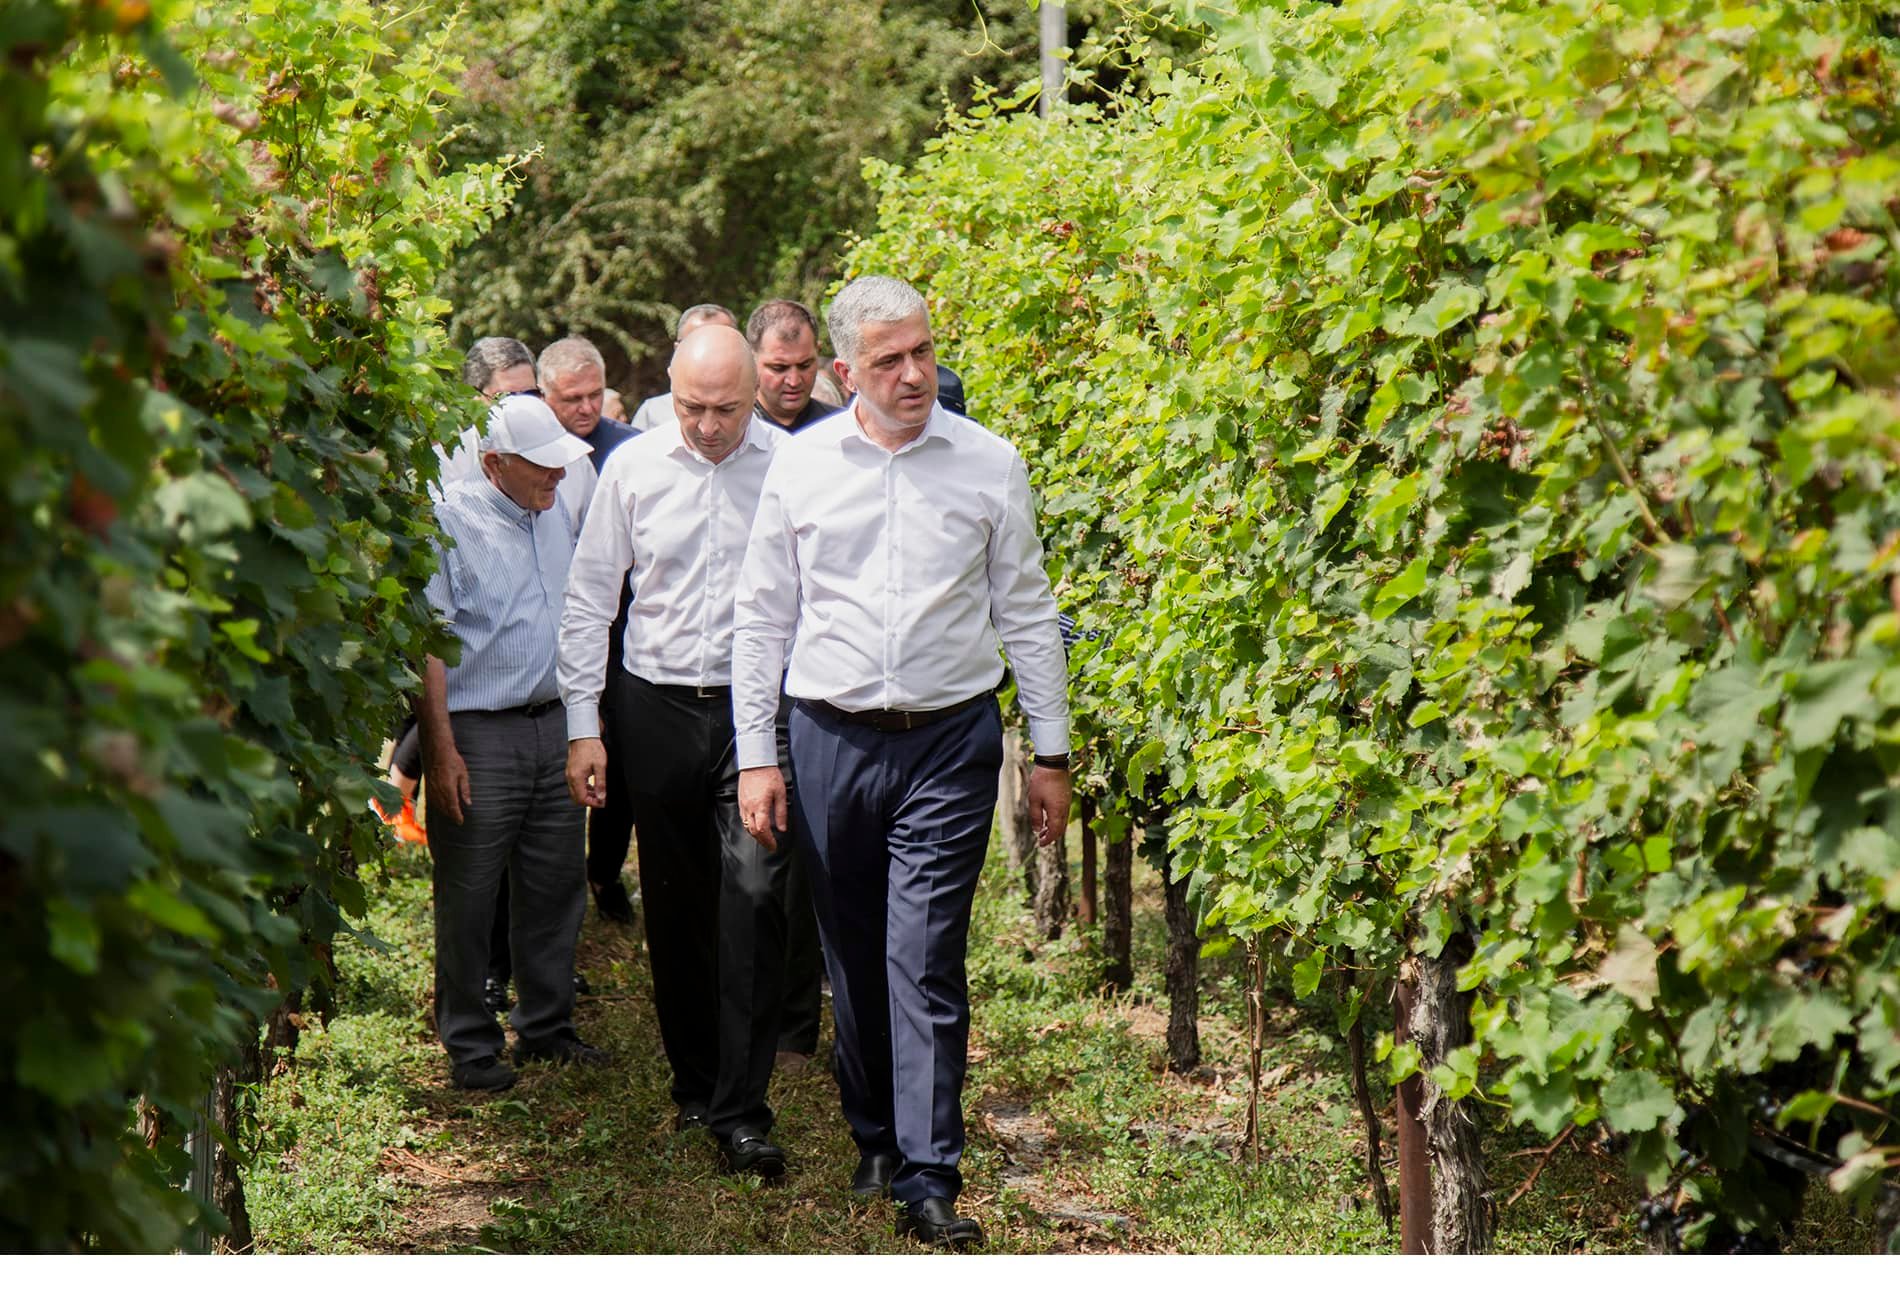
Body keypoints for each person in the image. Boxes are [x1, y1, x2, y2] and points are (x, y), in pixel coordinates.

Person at [731, 276, 1071, 1246]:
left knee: (922, 955)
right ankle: (875, 1137)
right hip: (829, 737)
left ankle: (929, 1173)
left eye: (922, 351)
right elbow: (762, 615)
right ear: (846, 372)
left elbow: (1027, 610)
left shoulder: (989, 464)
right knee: (853, 951)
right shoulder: (801, 468)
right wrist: (757, 756)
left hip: (948, 743)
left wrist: (1050, 751)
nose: (914, 373)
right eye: (889, 360)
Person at [560, 326, 799, 1177]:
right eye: (693, 406)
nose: (707, 425)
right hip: (654, 705)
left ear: (754, 395)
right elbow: (591, 597)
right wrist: (584, 724)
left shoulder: (791, 468)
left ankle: (743, 1108)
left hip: (754, 710)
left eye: (726, 409)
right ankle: (696, 1079)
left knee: (755, 893)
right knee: (677, 901)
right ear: (670, 391)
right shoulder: (632, 468)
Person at [421, 393, 614, 1092]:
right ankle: (471, 1044)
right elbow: (429, 647)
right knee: (470, 893)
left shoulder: (552, 514)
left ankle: (547, 1027)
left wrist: (583, 725)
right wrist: (440, 750)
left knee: (555, 883)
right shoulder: (448, 524)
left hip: (553, 724)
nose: (557, 475)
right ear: (494, 463)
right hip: (480, 732)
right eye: (542, 465)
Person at [375, 337, 547, 848]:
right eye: (508, 398)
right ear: (473, 400)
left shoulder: (551, 468)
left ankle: (394, 795)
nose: (522, 409)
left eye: (532, 395)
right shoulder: (441, 470)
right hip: (466, 686)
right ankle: (393, 797)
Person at [536, 337, 640, 926]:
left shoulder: (630, 449)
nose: (585, 408)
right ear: (543, 395)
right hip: (547, 629)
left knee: (618, 762)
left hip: (619, 633)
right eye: (570, 398)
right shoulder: (528, 452)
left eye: (594, 395)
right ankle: (553, 885)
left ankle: (604, 869)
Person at [630, 303, 739, 431]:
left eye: (717, 345)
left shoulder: (751, 410)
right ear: (677, 349)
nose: (706, 353)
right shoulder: (652, 413)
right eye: (694, 343)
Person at [745, 299, 840, 433]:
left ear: (818, 351)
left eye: (805, 365)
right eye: (779, 368)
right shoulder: (734, 433)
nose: (794, 381)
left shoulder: (841, 430)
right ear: (751, 359)